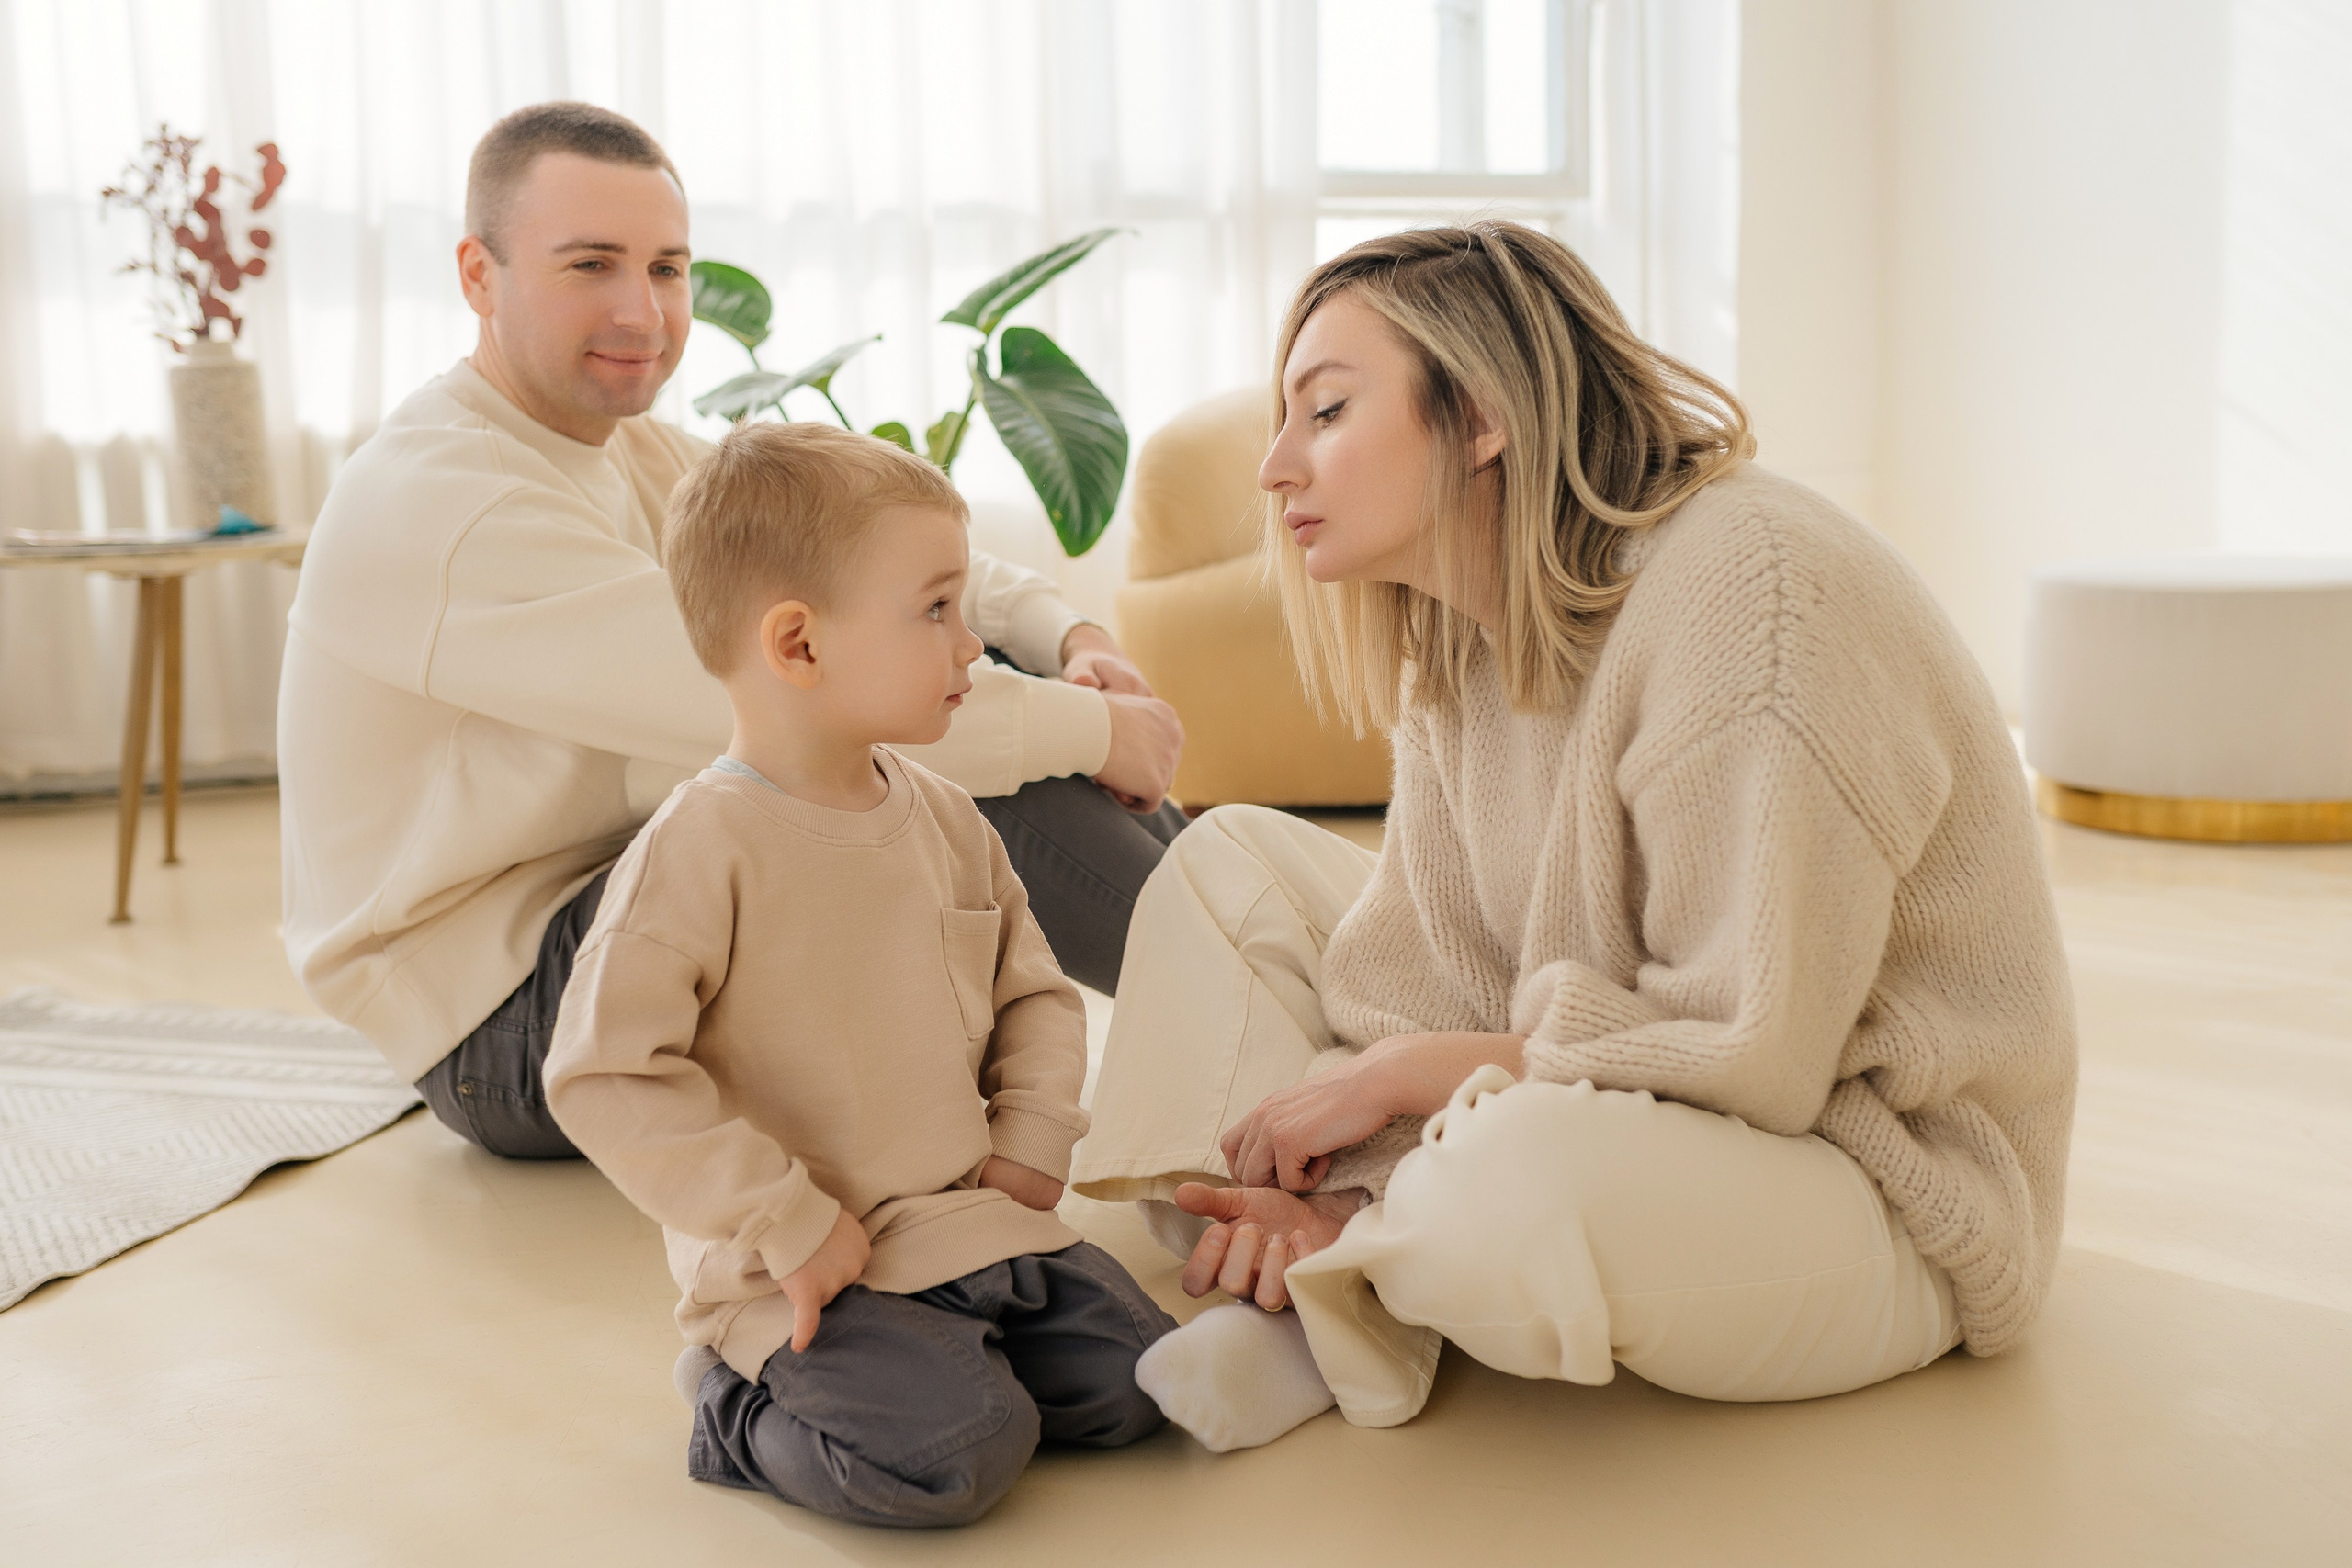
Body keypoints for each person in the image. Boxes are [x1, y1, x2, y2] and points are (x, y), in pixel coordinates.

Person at [1072, 221, 2078, 1453]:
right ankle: (1310, 1250)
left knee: (1512, 1179)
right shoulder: (1465, 630)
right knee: (1225, 861)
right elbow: (1421, 974)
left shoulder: (1748, 597)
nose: (1276, 466)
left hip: (1868, 1177)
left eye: (1325, 411)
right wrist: (1375, 1114)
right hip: (1643, 1091)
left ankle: (1334, 1281)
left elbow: (1749, 1055)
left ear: (1483, 413)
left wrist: (1395, 1083)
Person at [278, 102, 1186, 1159]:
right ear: (480, 274)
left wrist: (1071, 637)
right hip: (516, 1026)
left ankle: (1274, 960)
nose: (641, 312)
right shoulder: (447, 500)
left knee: (949, 648)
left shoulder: (635, 450)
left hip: (634, 914)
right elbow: (826, 689)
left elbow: (892, 562)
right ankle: (1278, 1003)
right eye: (590, 266)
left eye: (665, 269)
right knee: (908, 717)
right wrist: (1095, 731)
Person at [543, 421, 1172, 1528]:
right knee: (956, 1455)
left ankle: (943, 1358)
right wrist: (781, 1218)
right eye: (935, 611)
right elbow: (602, 1074)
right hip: (805, 1262)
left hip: (966, 1219)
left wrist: (1029, 1135)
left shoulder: (944, 814)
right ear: (797, 645)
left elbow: (1031, 990)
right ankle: (735, 1399)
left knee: (1142, 1384)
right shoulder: (700, 848)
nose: (971, 646)